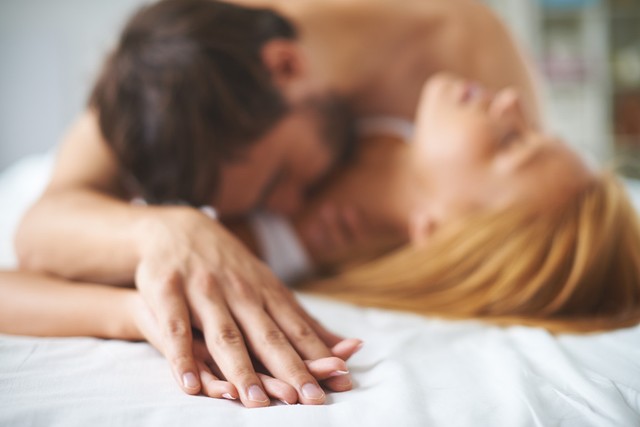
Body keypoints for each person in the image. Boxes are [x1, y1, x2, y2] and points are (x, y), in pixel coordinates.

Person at [5, 0, 545, 408]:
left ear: (285, 65)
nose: (283, 206)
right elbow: (42, 227)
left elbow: (528, 227)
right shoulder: (172, 74)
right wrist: (168, 230)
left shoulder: (466, 50)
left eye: (276, 180)